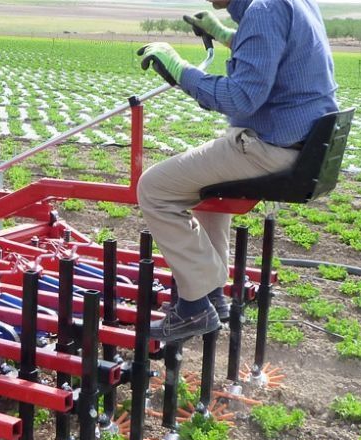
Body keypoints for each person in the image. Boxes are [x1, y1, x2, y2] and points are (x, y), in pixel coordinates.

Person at [136, 0, 338, 343]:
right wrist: (226, 35)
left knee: (154, 189)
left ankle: (195, 305)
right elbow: (273, 48)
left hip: (272, 147)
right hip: (301, 144)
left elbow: (241, 99)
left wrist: (179, 69)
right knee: (203, 189)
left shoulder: (262, 11)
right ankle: (213, 294)